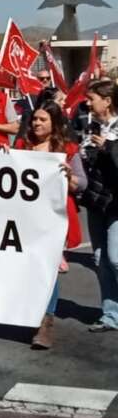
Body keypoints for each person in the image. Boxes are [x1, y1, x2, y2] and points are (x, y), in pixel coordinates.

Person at [13, 101, 87, 349]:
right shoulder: (22, 146)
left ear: (54, 123)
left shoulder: (68, 149)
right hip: (25, 217)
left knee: (49, 269)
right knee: (28, 267)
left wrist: (70, 176)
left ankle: (46, 322)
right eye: (34, 119)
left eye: (42, 120)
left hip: (55, 219)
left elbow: (82, 184)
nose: (36, 124)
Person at [79, 79, 118, 333]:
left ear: (107, 101)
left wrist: (108, 147)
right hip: (96, 201)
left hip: (116, 202)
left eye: (92, 98)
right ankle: (111, 315)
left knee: (116, 258)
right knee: (100, 258)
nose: (88, 103)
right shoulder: (90, 126)